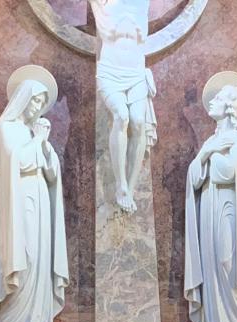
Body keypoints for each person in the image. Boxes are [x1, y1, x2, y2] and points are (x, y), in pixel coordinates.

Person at [0, 76, 68, 322]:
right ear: (22, 99)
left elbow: (52, 172)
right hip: (19, 205)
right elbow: (17, 162)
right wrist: (39, 141)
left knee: (40, 261)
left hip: (40, 201)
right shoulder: (6, 128)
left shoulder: (34, 133)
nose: (38, 107)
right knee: (24, 257)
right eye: (35, 100)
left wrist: (44, 146)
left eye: (42, 103)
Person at [184, 79, 237, 322]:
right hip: (208, 205)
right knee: (211, 263)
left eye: (218, 98)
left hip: (229, 206)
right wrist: (207, 152)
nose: (212, 102)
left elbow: (228, 172)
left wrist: (210, 156)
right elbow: (194, 177)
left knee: (227, 260)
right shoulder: (212, 141)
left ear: (230, 106)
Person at [88, 0, 156, 213]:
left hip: (136, 73)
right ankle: (121, 184)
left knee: (138, 121)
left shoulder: (142, 3)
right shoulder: (104, 4)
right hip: (109, 72)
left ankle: (131, 186)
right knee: (121, 116)